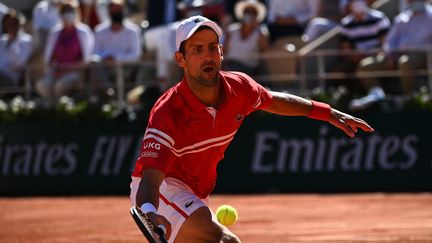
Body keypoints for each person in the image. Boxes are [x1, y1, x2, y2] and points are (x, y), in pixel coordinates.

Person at [129, 15, 374, 243]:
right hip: (161, 190)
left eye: (213, 47)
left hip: (195, 190)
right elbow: (151, 177)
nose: (208, 56)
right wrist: (150, 211)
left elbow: (273, 100)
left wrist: (328, 112)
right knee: (223, 239)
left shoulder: (240, 88)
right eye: (197, 49)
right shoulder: (168, 110)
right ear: (180, 59)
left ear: (222, 52)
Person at [352, 0, 432, 109]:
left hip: (422, 55)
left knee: (405, 62)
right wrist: (390, 54)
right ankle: (377, 97)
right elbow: (390, 41)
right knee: (365, 66)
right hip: (396, 55)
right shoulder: (402, 18)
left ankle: (408, 99)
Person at [36, 0, 94, 100]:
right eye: (65, 11)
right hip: (57, 71)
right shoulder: (55, 32)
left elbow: (87, 58)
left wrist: (68, 70)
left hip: (77, 72)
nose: (68, 14)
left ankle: (63, 109)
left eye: (70, 10)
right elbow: (49, 57)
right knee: (42, 85)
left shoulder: (84, 31)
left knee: (60, 85)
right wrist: (54, 71)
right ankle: (52, 108)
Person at [330, 0, 391, 91]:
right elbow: (346, 50)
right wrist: (354, 56)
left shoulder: (379, 18)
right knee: (336, 72)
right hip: (356, 57)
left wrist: (371, 54)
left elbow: (386, 44)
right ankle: (345, 96)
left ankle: (377, 97)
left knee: (364, 66)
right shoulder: (346, 24)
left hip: (377, 55)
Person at [90, 0, 141, 99]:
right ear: (109, 12)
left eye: (118, 10)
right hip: (104, 68)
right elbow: (94, 53)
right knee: (93, 62)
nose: (116, 13)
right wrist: (106, 58)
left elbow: (136, 55)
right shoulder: (100, 30)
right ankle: (108, 93)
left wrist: (115, 58)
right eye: (113, 11)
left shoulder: (133, 31)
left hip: (125, 68)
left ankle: (114, 97)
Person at [222, 0, 269, 75]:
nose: (249, 14)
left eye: (253, 12)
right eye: (247, 11)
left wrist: (257, 27)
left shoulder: (260, 32)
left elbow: (264, 51)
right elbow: (223, 51)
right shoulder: (231, 30)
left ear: (257, 16)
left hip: (247, 69)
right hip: (228, 66)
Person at [0, 10, 33, 89]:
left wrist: (12, 44)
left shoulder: (26, 40)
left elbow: (20, 64)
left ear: (19, 24)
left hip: (12, 77)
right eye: (7, 24)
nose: (9, 27)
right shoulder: (2, 40)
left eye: (13, 24)